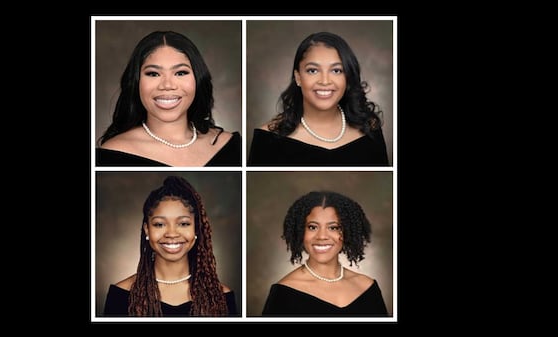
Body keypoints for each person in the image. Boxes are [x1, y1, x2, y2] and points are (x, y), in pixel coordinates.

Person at [96, 30, 241, 166]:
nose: (167, 85)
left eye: (180, 73)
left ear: (198, 79)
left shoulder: (229, 145)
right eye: (153, 74)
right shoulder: (112, 154)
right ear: (136, 82)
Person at [248, 31, 389, 166]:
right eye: (313, 70)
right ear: (298, 77)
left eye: (336, 70)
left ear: (347, 77)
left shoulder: (370, 127)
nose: (325, 81)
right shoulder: (267, 138)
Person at [103, 176, 238, 317]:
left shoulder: (221, 297)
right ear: (147, 229)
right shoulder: (120, 295)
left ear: (196, 229)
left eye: (184, 223)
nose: (172, 234)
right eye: (159, 224)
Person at [261, 191, 388, 317]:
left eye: (333, 227)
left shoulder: (368, 287)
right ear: (300, 232)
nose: (322, 236)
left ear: (347, 232)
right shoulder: (283, 293)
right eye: (312, 227)